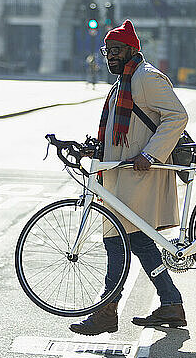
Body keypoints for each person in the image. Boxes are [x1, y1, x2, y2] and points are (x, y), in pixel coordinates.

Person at [70, 19, 189, 336]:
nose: (110, 55)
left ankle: (106, 312)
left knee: (115, 241)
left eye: (116, 50)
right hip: (122, 174)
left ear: (132, 50)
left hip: (139, 175)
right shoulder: (124, 80)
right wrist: (92, 148)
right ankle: (171, 302)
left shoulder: (146, 77)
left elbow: (178, 115)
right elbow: (118, 129)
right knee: (140, 242)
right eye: (107, 50)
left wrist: (150, 155)